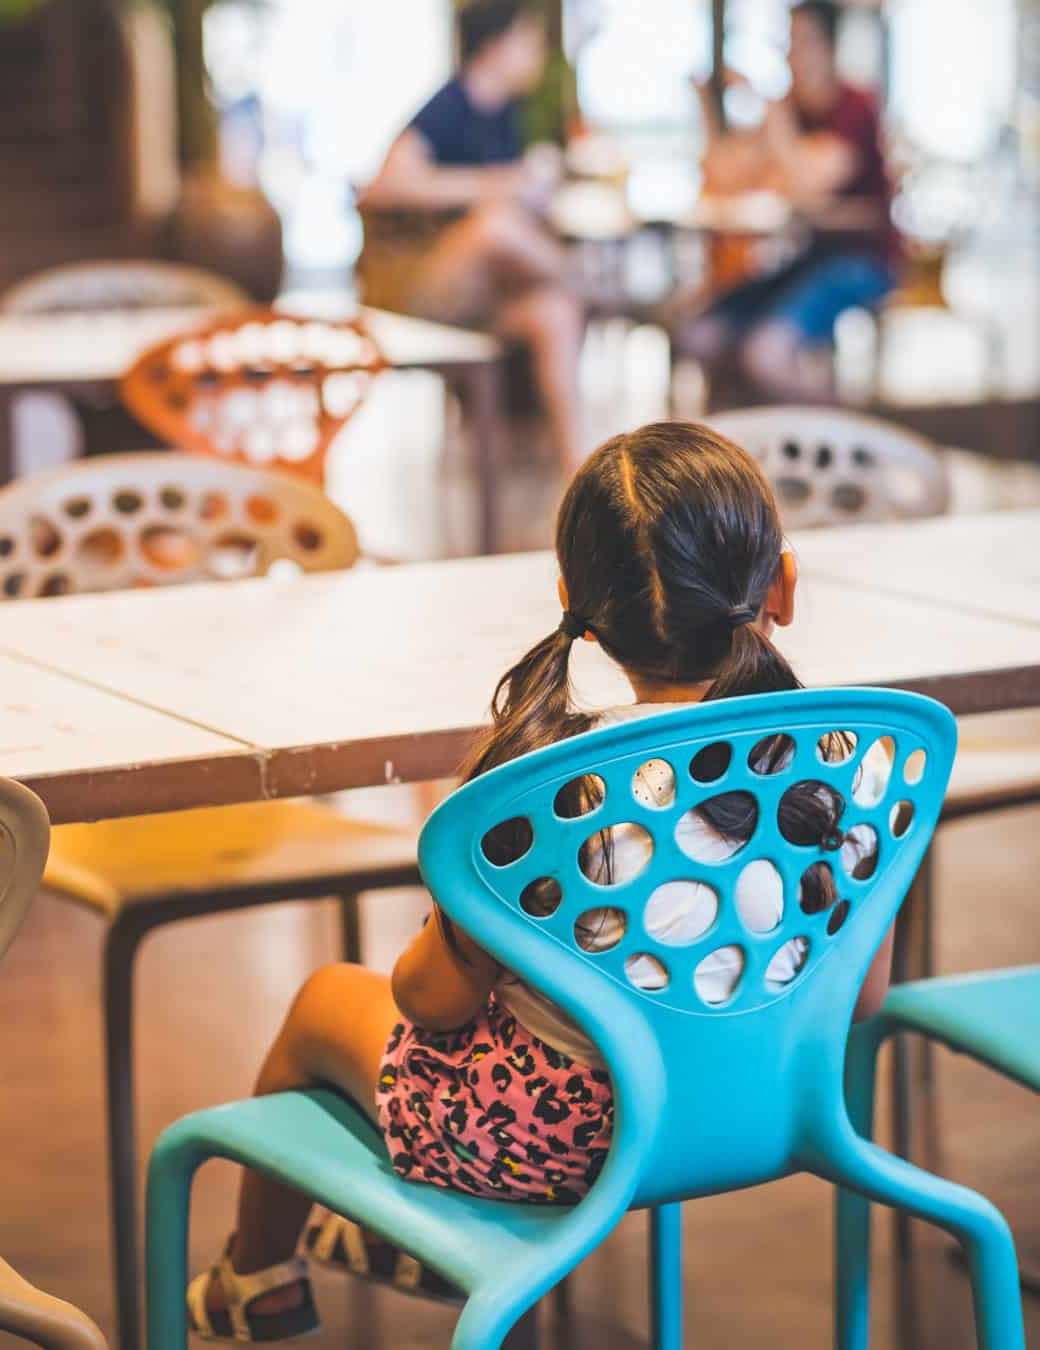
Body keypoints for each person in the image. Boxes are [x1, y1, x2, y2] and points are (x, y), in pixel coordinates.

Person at [186, 420, 895, 1341]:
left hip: (558, 1147)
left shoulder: (561, 792)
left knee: (329, 1001)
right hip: (769, 1105)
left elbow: (431, 1003)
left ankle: (258, 1278)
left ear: (574, 603)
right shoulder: (855, 772)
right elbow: (866, 994)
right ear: (783, 590)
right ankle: (399, 1244)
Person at [357, 0, 587, 471]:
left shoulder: (509, 114)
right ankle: (586, 280)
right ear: (497, 46)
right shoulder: (451, 105)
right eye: (529, 39)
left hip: (480, 299)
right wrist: (495, 184)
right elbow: (386, 185)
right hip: (416, 289)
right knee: (493, 224)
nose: (539, 52)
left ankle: (579, 471)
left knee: (556, 310)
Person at [685, 0, 899, 401]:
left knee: (765, 355)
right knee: (700, 336)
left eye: (803, 42)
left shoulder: (854, 105)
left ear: (830, 48)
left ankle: (841, 435)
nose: (791, 54)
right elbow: (727, 177)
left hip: (863, 260)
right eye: (788, 42)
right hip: (809, 256)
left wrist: (774, 111)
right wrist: (706, 109)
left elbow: (805, 186)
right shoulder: (790, 108)